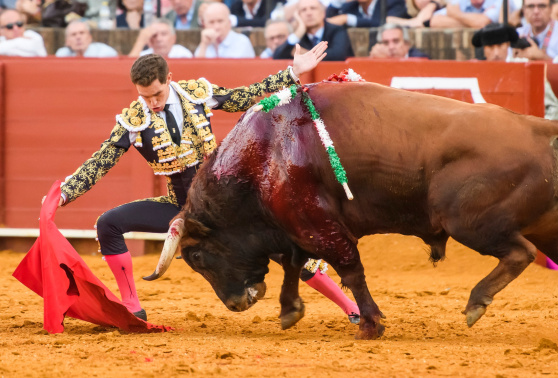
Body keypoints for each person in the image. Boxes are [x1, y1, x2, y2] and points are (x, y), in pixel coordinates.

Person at [48, 44, 362, 324]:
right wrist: (66, 191)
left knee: (286, 248)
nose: (152, 103)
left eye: (156, 94)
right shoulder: (133, 119)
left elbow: (243, 97)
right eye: (144, 97)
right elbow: (101, 160)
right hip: (181, 206)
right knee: (108, 224)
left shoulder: (197, 93)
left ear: (169, 78)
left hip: (227, 204)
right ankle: (132, 305)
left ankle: (350, 305)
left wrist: (291, 73)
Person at [472, 23, 558, 121]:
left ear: (507, 45)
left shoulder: (527, 68)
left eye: (500, 45)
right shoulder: (476, 71)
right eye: (490, 47)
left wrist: (535, 130)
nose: (496, 53)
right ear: (484, 49)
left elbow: (555, 109)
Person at [273, 0, 354, 61]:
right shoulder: (299, 36)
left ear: (323, 13)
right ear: (298, 15)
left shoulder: (337, 29)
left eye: (313, 8)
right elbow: (278, 55)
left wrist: (305, 54)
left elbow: (338, 54)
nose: (309, 13)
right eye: (304, 10)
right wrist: (299, 32)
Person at [128, 18, 194, 58]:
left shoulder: (182, 54)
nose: (159, 39)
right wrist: (141, 41)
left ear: (173, 38)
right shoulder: (145, 56)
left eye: (164, 34)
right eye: (154, 35)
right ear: (150, 40)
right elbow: (127, 68)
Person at [325, 0, 409, 28]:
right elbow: (328, 19)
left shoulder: (392, 2)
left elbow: (382, 23)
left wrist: (347, 19)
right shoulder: (350, 6)